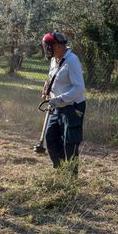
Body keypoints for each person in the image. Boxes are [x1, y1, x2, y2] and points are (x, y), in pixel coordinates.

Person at [41, 31, 86, 176]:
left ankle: (71, 178)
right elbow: (51, 77)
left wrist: (59, 98)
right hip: (56, 106)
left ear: (59, 46)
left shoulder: (72, 61)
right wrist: (47, 88)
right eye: (46, 46)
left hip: (72, 108)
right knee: (51, 138)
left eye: (49, 46)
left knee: (70, 144)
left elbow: (79, 88)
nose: (47, 49)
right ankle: (60, 172)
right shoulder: (54, 59)